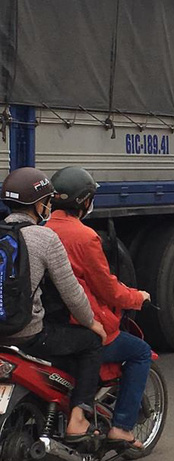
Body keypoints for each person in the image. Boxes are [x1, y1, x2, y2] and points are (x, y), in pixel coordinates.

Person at [46, 166, 152, 448]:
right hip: (82, 324)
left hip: (45, 326)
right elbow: (107, 287)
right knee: (140, 352)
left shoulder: (40, 231)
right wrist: (136, 297)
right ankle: (122, 427)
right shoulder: (85, 237)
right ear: (83, 201)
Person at [0, 167, 106, 443]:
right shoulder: (44, 238)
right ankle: (79, 418)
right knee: (91, 342)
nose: (48, 205)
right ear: (38, 204)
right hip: (28, 334)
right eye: (47, 200)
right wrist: (92, 323)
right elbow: (72, 294)